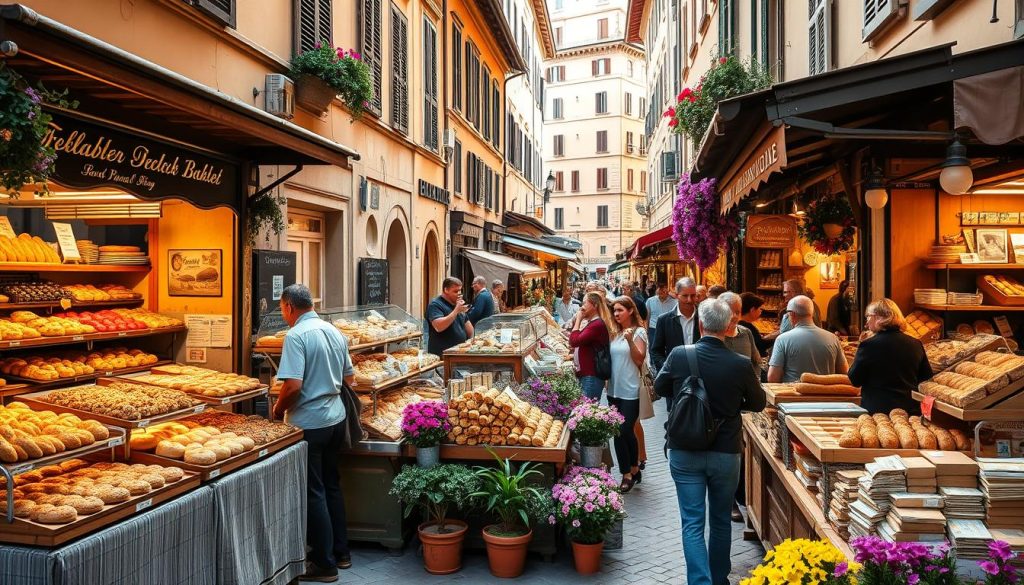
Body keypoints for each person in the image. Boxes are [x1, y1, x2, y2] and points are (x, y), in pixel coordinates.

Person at [654, 299, 766, 585]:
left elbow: (660, 387)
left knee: (692, 523)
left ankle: (699, 582)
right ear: (730, 326)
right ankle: (719, 579)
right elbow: (758, 402)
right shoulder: (740, 365)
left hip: (685, 448)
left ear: (701, 325)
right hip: (725, 451)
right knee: (719, 521)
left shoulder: (680, 355)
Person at [273, 284, 354, 582]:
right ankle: (342, 553)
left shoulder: (296, 336)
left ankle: (324, 563)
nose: (283, 314)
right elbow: (350, 378)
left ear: (290, 307)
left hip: (311, 422)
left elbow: (293, 386)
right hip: (336, 418)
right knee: (332, 484)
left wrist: (278, 409)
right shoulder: (333, 331)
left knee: (314, 491)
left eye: (282, 308)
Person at [719, 291, 762, 524]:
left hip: (747, 405)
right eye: (730, 311)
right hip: (725, 406)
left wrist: (754, 385)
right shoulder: (716, 336)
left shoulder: (746, 333)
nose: (735, 316)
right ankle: (730, 501)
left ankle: (745, 497)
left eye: (737, 311)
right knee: (733, 453)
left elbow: (756, 361)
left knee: (744, 453)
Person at [848, 299, 933, 415]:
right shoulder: (916, 344)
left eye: (868, 316)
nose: (866, 322)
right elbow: (926, 379)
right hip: (909, 412)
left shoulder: (869, 345)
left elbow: (855, 379)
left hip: (877, 412)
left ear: (879, 317)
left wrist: (860, 349)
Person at [608, 296, 648, 492]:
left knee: (626, 430)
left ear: (631, 311)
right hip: (613, 390)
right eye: (614, 311)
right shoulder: (614, 333)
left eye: (620, 310)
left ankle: (632, 468)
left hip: (631, 389)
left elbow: (639, 359)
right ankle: (627, 472)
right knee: (617, 432)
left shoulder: (639, 332)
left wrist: (631, 340)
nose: (616, 314)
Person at [767, 296, 848, 383]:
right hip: (825, 394)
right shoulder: (833, 338)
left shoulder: (782, 339)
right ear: (812, 313)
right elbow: (844, 372)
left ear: (792, 314)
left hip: (792, 394)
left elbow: (773, 377)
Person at [651, 277, 700, 411]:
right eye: (685, 296)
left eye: (693, 296)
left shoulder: (703, 317)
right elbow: (656, 350)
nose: (689, 300)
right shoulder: (664, 320)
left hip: (701, 378)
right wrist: (668, 369)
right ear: (677, 295)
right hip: (675, 381)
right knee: (675, 419)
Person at [569, 291, 615, 401]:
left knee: (586, 410)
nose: (582, 307)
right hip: (587, 375)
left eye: (585, 303)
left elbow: (574, 341)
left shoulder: (596, 324)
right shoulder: (593, 323)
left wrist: (579, 319)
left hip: (591, 376)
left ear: (594, 305)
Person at [426, 277, 474, 356]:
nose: (459, 294)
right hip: (442, 356)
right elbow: (439, 326)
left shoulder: (457, 305)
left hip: (459, 354)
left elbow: (470, 329)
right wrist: (456, 311)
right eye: (455, 291)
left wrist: (471, 343)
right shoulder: (435, 305)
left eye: (460, 290)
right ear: (446, 290)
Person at [645, 282, 676, 350]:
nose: (662, 291)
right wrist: (647, 331)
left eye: (664, 290)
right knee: (653, 349)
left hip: (668, 329)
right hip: (653, 329)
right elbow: (647, 317)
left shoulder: (674, 302)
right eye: (660, 289)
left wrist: (673, 294)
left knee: (668, 349)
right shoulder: (650, 301)